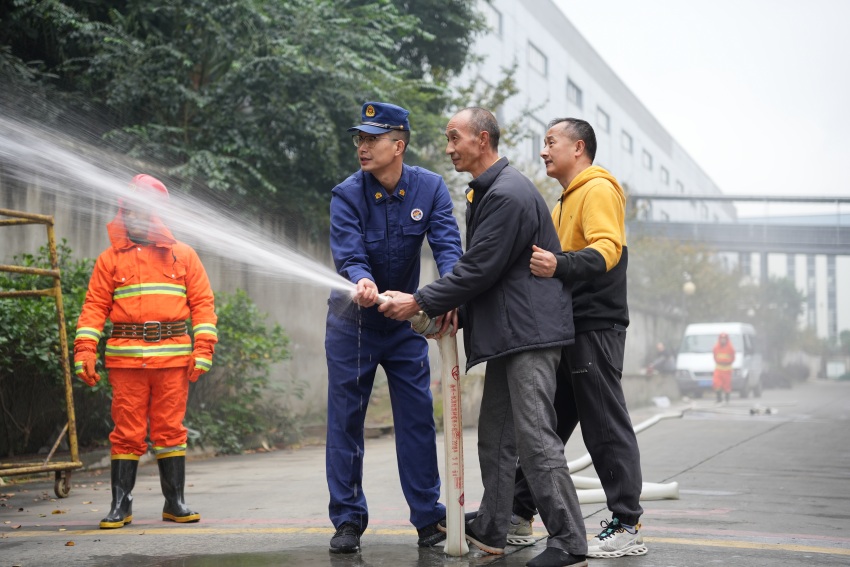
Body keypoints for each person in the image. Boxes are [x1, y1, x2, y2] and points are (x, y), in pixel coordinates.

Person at [380, 107, 588, 567]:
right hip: (510, 334)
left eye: (455, 137)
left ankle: (570, 540)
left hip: (529, 335)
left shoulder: (509, 194)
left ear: (484, 138)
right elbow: (486, 273)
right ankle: (492, 527)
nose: (449, 147)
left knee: (536, 439)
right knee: (494, 436)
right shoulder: (488, 192)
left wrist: (420, 301)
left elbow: (479, 268)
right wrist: (450, 304)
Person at [324, 102, 463, 554]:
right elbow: (348, 252)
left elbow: (448, 248)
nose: (361, 147)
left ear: (398, 145)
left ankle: (428, 519)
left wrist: (447, 298)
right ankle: (347, 521)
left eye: (371, 139)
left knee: (417, 419)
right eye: (359, 139)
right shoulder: (347, 193)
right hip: (353, 324)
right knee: (346, 422)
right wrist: (360, 279)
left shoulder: (431, 188)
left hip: (404, 321)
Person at [511, 117, 648, 559]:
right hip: (568, 328)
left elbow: (607, 248)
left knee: (604, 424)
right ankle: (517, 512)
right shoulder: (563, 202)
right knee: (544, 424)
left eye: (551, 142)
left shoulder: (597, 190)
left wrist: (559, 266)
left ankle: (627, 524)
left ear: (579, 148)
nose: (544, 151)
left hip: (595, 326)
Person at [74, 174, 217, 529]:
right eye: (130, 210)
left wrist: (203, 349)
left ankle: (175, 503)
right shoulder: (110, 260)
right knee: (126, 431)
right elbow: (93, 308)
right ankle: (121, 505)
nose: (135, 218)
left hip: (172, 358)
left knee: (170, 428)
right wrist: (84, 351)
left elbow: (203, 306)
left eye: (143, 211)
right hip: (126, 361)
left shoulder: (183, 255)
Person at [713, 332, 736, 403]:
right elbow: (714, 356)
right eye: (722, 339)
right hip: (719, 368)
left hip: (727, 369)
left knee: (727, 385)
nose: (723, 340)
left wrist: (727, 362)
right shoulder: (716, 347)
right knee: (717, 383)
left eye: (724, 339)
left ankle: (727, 398)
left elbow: (733, 357)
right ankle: (719, 398)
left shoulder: (731, 348)